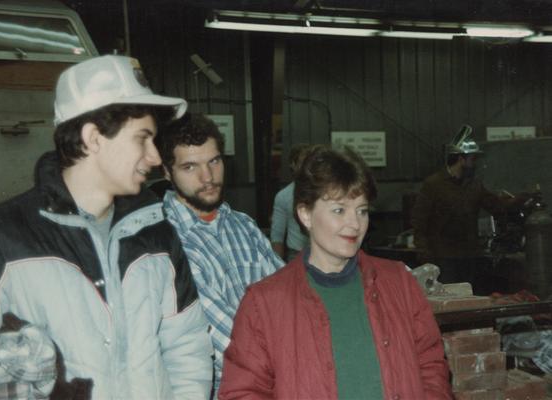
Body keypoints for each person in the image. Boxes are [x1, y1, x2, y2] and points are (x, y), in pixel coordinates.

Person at [0, 55, 213, 399]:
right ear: (93, 137)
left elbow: (188, 349)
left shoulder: (156, 234)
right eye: (142, 138)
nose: (155, 157)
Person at [219, 145, 452, 400]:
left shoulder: (399, 283)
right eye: (339, 210)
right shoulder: (263, 303)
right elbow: (243, 391)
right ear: (305, 214)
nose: (354, 224)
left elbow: (431, 365)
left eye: (361, 210)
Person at [157, 112, 284, 394]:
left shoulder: (244, 226)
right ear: (167, 172)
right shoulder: (163, 242)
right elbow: (228, 343)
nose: (207, 177)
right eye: (190, 167)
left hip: (275, 376)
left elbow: (288, 296)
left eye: (214, 161)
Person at [411, 124, 523, 287]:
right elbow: (419, 221)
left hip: (469, 256)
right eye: (472, 159)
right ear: (461, 158)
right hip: (443, 258)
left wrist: (519, 201)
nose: (475, 163)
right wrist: (425, 255)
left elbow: (495, 205)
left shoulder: (474, 185)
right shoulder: (434, 185)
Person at [270, 143, 310, 261]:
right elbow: (277, 237)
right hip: (296, 255)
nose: (306, 167)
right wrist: (278, 270)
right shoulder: (284, 196)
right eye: (302, 162)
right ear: (293, 164)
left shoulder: (326, 194)